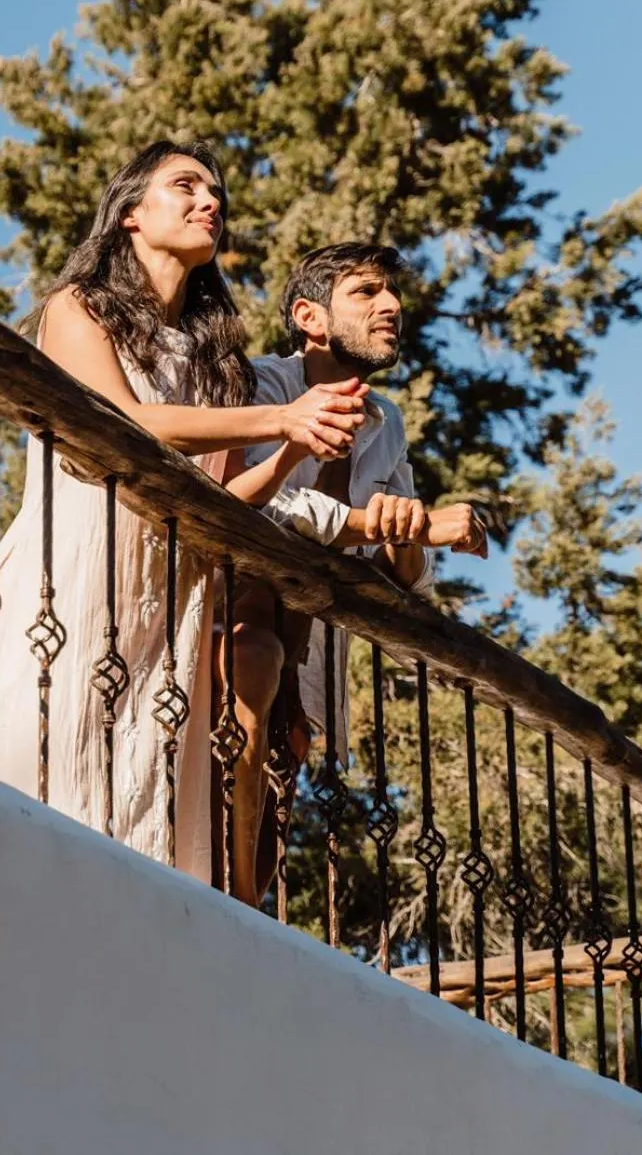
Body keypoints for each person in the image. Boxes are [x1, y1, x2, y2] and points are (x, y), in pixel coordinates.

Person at [0, 142, 369, 883]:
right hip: (72, 570)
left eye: (217, 192)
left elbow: (224, 502)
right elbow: (126, 421)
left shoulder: (220, 365)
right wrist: (282, 418)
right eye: (186, 185)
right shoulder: (77, 309)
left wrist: (293, 454)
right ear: (132, 214)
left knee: (140, 813)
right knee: (47, 773)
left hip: (167, 601)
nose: (211, 201)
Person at [222, 241, 489, 906]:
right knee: (216, 805)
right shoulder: (260, 386)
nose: (392, 305)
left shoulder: (385, 422)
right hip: (231, 631)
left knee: (268, 821)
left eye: (392, 292)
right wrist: (404, 524)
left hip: (308, 666)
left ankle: (244, 924)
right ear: (310, 318)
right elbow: (267, 500)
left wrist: (406, 531)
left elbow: (409, 580)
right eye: (366, 293)